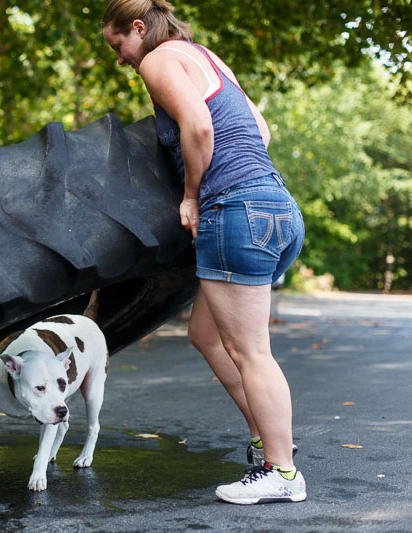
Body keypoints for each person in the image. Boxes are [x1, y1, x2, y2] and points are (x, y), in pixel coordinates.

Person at [102, 0, 307, 505]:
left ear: (137, 28)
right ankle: (267, 436)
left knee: (251, 351)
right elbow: (260, 130)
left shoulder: (159, 60)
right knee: (207, 336)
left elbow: (198, 128)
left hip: (234, 210)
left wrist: (192, 196)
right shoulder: (205, 57)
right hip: (276, 206)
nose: (122, 59)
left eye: (118, 46)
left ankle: (282, 472)